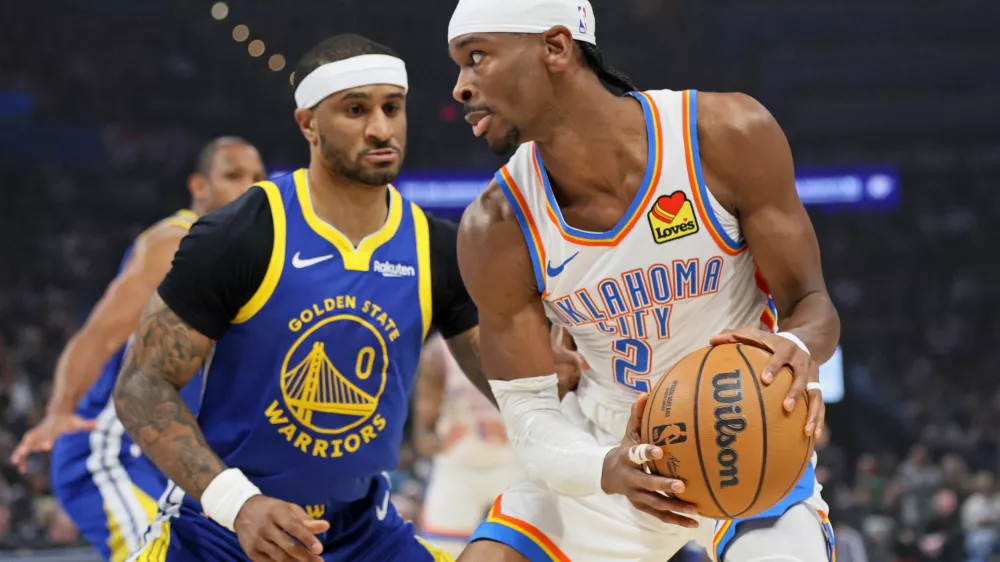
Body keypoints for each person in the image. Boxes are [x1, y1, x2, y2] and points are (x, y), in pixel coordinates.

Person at [446, 1, 841, 561]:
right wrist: (602, 466)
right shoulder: (497, 225)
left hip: (742, 428)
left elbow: (812, 303)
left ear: (556, 48)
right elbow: (529, 416)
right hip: (609, 448)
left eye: (476, 57)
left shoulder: (722, 135)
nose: (460, 87)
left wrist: (797, 347)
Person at [115, 34, 486, 562]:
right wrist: (237, 504)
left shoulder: (437, 248)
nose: (380, 128)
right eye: (356, 110)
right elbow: (141, 385)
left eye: (392, 108)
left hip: (362, 534)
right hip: (221, 532)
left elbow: (513, 389)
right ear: (308, 124)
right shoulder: (245, 232)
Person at [9, 138, 265, 561]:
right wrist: (59, 410)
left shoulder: (246, 259)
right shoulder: (174, 242)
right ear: (198, 186)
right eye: (232, 176)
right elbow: (101, 333)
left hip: (173, 457)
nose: (248, 187)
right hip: (111, 446)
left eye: (256, 178)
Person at [413, 331, 523, 557]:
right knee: (441, 552)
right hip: (457, 469)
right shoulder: (438, 351)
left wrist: (515, 431)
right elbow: (422, 437)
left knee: (526, 550)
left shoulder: (524, 341)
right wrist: (445, 441)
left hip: (512, 466)